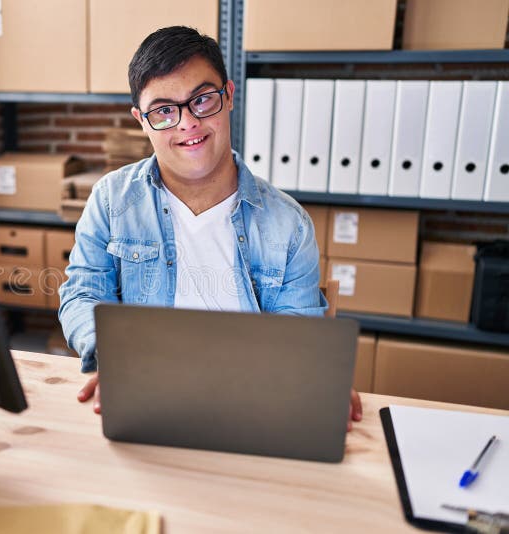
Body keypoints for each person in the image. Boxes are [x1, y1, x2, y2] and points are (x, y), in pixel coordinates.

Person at [57, 26, 362, 430]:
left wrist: (314, 375)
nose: (187, 123)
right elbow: (82, 293)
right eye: (164, 111)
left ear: (229, 96)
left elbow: (298, 336)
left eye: (202, 100)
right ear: (141, 121)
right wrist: (111, 358)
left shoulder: (289, 224)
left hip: (252, 408)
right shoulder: (112, 200)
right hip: (143, 400)